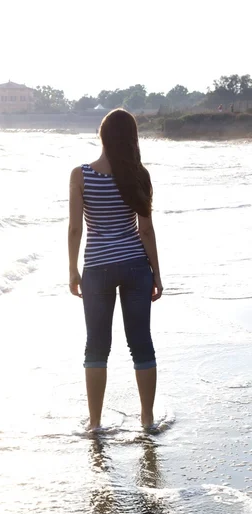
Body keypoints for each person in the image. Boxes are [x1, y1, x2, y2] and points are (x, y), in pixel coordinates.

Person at [68, 108, 163, 431]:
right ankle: (147, 420)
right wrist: (157, 273)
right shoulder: (139, 175)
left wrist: (72, 269)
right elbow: (146, 230)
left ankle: (94, 423)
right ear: (132, 138)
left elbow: (75, 229)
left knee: (97, 345)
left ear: (102, 135)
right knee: (141, 343)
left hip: (97, 267)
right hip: (136, 265)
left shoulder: (81, 175)